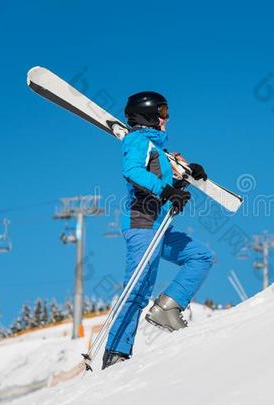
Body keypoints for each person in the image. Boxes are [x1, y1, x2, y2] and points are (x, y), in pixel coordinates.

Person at [102, 91, 214, 369]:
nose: (167, 118)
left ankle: (167, 307)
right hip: (142, 224)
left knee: (201, 256)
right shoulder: (137, 140)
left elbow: (163, 177)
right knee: (138, 290)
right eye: (162, 112)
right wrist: (166, 190)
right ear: (149, 115)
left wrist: (187, 175)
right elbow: (133, 171)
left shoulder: (159, 151)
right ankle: (116, 353)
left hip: (160, 225)